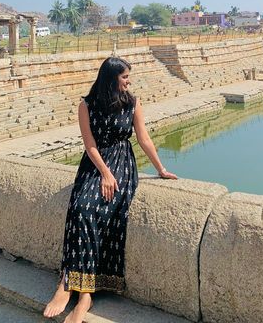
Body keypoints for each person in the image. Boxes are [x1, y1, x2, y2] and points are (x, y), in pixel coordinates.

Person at [43, 56, 177, 323]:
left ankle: (86, 295)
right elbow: (89, 143)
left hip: (123, 164)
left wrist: (160, 168)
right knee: (81, 208)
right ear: (111, 78)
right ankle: (68, 282)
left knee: (102, 209)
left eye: (129, 77)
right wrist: (104, 173)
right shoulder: (87, 105)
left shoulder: (133, 103)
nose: (128, 82)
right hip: (96, 163)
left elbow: (143, 138)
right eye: (125, 77)